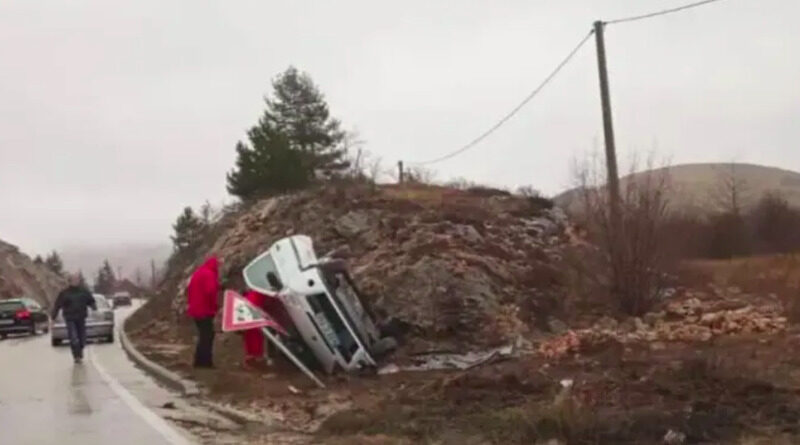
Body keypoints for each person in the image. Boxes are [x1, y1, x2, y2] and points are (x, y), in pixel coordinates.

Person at [52, 273, 96, 364]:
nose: (76, 281)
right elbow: (57, 305)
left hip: (81, 317)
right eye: (74, 280)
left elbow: (90, 300)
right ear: (70, 281)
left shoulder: (84, 291)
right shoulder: (64, 293)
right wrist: (53, 317)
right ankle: (76, 356)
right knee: (73, 337)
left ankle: (80, 350)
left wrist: (93, 306)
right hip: (70, 318)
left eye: (77, 279)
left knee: (82, 338)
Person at [186, 256, 220, 368]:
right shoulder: (209, 274)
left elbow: (190, 290)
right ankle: (206, 362)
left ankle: (199, 361)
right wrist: (214, 306)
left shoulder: (199, 272)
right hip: (204, 310)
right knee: (207, 336)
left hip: (195, 310)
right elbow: (210, 291)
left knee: (203, 335)